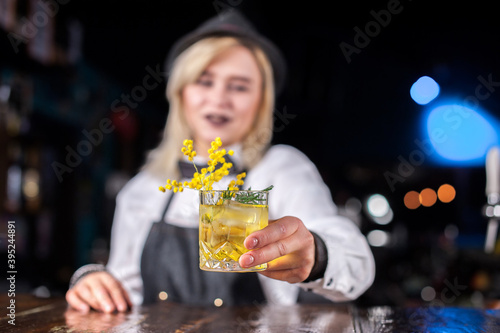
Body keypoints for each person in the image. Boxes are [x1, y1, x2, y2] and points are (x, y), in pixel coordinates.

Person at [66, 9, 375, 313]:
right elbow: (124, 292)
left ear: (260, 102)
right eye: (204, 81)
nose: (219, 98)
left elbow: (357, 264)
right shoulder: (144, 189)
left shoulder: (283, 169)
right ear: (181, 93)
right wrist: (92, 280)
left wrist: (317, 254)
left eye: (239, 86)